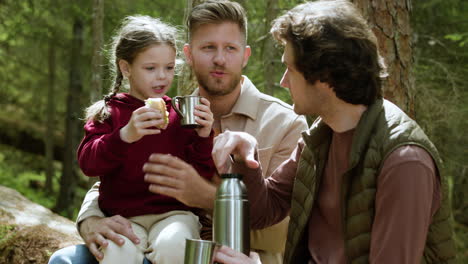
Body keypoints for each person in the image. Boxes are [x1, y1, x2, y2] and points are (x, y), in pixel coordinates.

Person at [48, 1, 308, 264]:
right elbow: (119, 173)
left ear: (245, 55)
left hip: (237, 257)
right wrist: (89, 218)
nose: (220, 59)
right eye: (208, 48)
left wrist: (207, 197)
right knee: (64, 260)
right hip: (144, 241)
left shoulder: (286, 123)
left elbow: (284, 228)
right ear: (189, 55)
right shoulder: (168, 113)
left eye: (230, 48)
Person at [211, 1, 457, 263]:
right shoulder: (322, 135)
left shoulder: (405, 161)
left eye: (290, 69)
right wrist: (245, 155)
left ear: (324, 76)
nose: (283, 81)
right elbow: (265, 211)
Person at [50, 15, 216, 264]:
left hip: (175, 215)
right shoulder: (108, 113)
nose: (162, 77)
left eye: (169, 67)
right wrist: (124, 136)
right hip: (122, 217)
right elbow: (88, 164)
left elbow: (201, 172)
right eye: (150, 68)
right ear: (126, 68)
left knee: (176, 247)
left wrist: (204, 137)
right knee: (116, 253)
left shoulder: (181, 114)